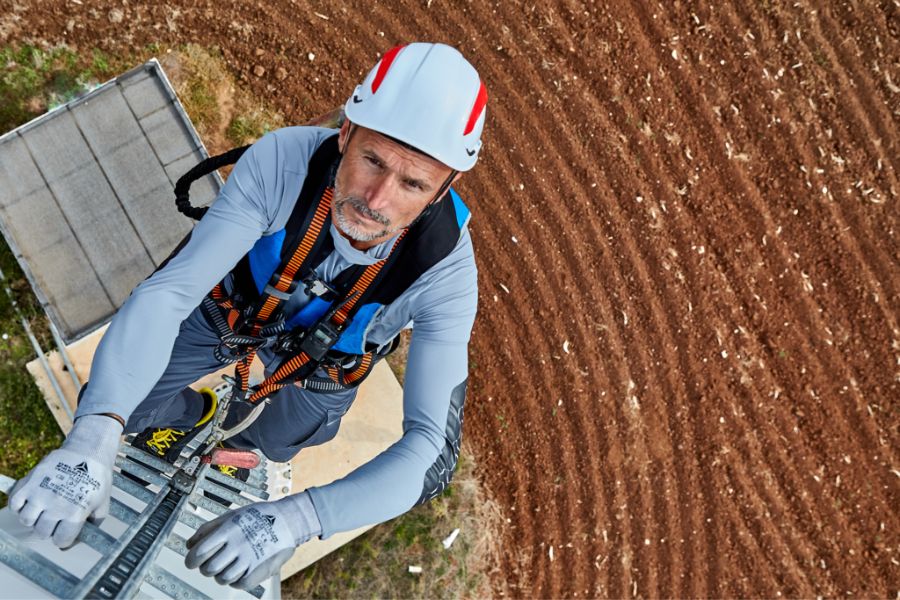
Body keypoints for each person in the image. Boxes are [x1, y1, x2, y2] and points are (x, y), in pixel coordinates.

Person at [9, 42, 487, 590]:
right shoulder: (284, 163)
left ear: (443, 189)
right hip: (235, 312)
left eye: (413, 184)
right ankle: (188, 415)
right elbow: (169, 293)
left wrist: (299, 520)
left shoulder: (445, 272)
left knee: (286, 437)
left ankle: (256, 454)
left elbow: (431, 449)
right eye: (372, 161)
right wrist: (93, 435)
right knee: (126, 404)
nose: (375, 200)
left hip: (326, 361)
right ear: (346, 133)